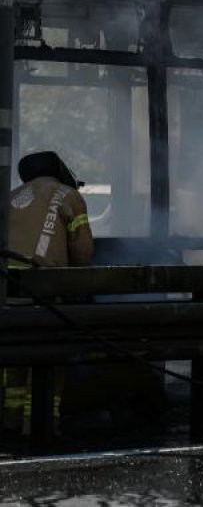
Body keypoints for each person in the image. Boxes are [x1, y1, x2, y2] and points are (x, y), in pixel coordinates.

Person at [2, 151, 93, 435]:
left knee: (13, 359)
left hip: (6, 288)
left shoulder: (11, 195)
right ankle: (43, 426)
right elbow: (82, 252)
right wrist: (81, 288)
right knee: (50, 359)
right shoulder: (68, 196)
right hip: (44, 289)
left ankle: (10, 424)